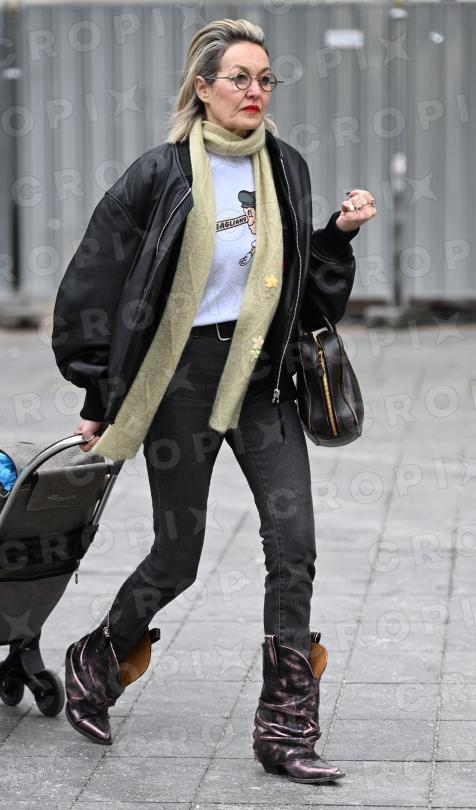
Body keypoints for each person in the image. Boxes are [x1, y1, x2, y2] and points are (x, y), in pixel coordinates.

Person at [51, 18, 376, 783]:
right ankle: (97, 658)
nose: (255, 90)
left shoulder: (286, 167)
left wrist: (335, 237)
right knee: (178, 556)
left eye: (265, 79)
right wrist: (99, 390)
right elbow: (94, 281)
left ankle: (285, 727)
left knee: (293, 544)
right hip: (180, 381)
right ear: (202, 88)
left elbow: (302, 288)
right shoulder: (159, 175)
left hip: (262, 379)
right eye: (239, 78)